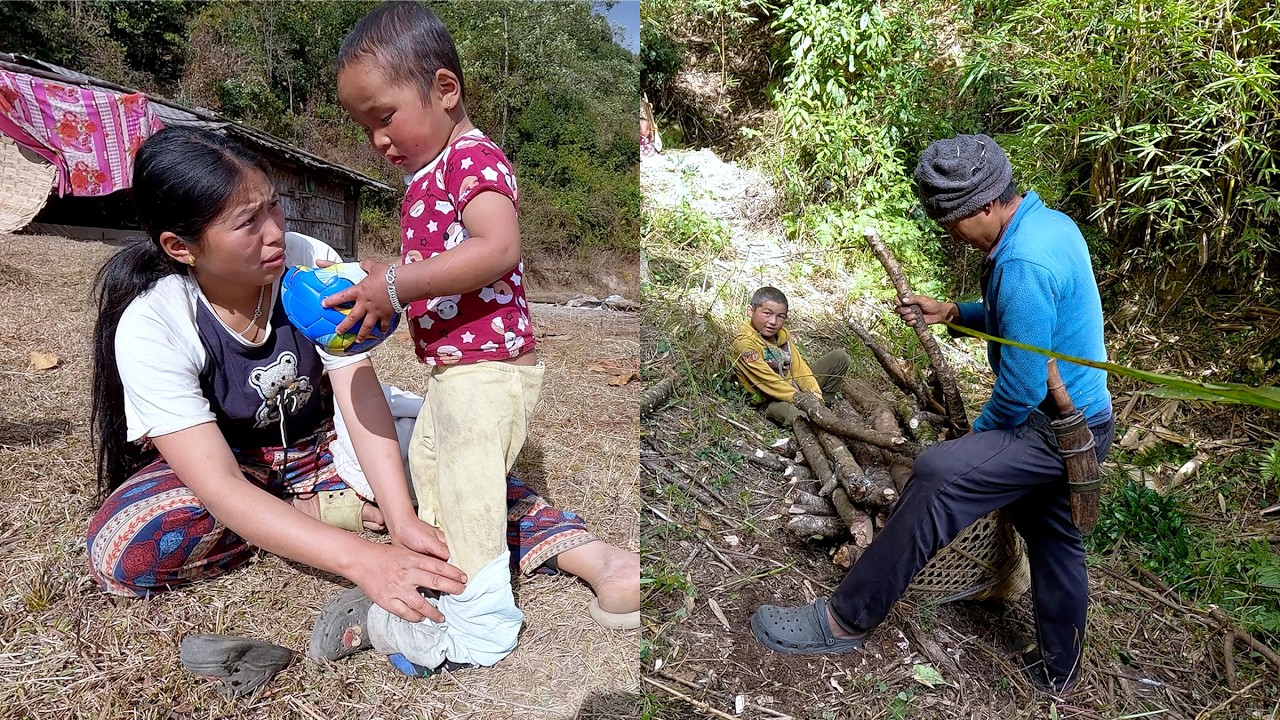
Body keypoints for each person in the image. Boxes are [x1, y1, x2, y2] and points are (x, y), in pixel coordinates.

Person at [85, 126, 638, 682]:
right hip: (236, 467)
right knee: (122, 549)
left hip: (327, 451)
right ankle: (311, 520)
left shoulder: (312, 267)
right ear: (181, 247)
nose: (275, 232)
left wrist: (399, 519)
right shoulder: (155, 324)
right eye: (247, 223)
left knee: (452, 463)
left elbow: (357, 393)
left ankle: (595, 558)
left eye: (273, 207)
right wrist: (366, 560)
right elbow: (221, 486)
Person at [309, 2, 638, 674]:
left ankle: (480, 628)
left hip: (490, 371)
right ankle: (441, 590)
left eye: (384, 115)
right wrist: (381, 277)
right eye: (363, 126)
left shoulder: (472, 159)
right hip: (455, 373)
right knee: (431, 481)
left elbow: (497, 247)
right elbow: (438, 263)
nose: (377, 138)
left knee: (468, 497)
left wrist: (396, 284)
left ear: (445, 89)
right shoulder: (426, 177)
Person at [748, 134, 1114, 694]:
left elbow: (1017, 389)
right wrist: (952, 311)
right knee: (1054, 536)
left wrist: (972, 441)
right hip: (1090, 424)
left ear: (985, 206)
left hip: (1049, 429)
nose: (950, 233)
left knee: (938, 474)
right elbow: (1022, 316)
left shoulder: (1022, 260)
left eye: (952, 221)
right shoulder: (1049, 224)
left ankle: (844, 619)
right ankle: (1061, 671)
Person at [732, 286, 850, 426]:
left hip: (794, 388)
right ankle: (814, 418)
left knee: (839, 357)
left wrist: (816, 396)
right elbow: (768, 382)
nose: (773, 322)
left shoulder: (781, 336)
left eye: (780, 316)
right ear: (751, 311)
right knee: (804, 417)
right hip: (772, 399)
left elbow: (800, 369)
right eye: (767, 314)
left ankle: (826, 405)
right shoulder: (745, 343)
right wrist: (803, 400)